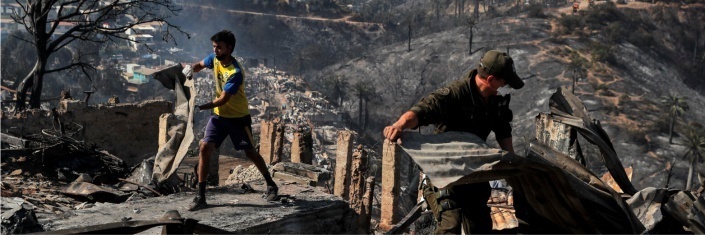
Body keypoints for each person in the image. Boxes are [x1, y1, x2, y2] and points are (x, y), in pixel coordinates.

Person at [383, 50, 524, 234]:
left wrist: (512, 160)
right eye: (503, 82)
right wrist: (399, 125)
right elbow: (423, 110)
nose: (504, 86)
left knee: (480, 227)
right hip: (443, 172)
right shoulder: (455, 94)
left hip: (472, 172)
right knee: (451, 224)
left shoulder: (495, 104)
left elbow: (503, 131)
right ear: (490, 79)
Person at [182, 30, 278, 211]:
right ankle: (201, 196)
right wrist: (190, 68)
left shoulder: (235, 72)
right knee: (205, 147)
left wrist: (201, 107)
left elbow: (223, 99)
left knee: (250, 153)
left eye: (219, 47)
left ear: (229, 48)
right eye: (214, 47)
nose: (215, 50)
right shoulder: (214, 58)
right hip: (219, 117)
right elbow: (200, 65)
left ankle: (271, 184)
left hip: (237, 119)